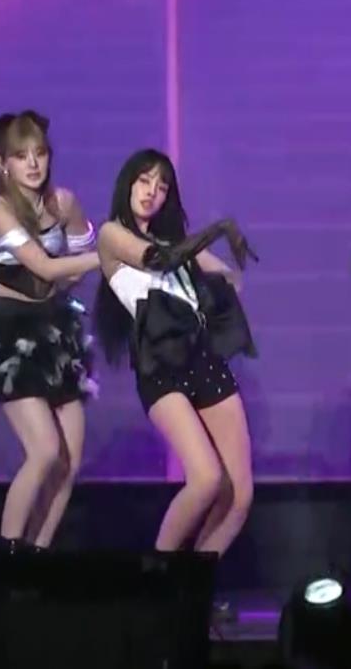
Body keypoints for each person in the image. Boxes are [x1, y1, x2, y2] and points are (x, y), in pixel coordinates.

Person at [0, 111, 101, 555]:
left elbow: (71, 267)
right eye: (21, 155)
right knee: (45, 450)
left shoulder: (62, 203)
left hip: (54, 333)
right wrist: (111, 252)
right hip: (10, 336)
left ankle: (37, 557)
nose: (33, 163)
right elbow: (45, 267)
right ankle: (9, 558)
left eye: (40, 153)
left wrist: (91, 253)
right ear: (2, 163)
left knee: (68, 462)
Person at [93, 149, 257, 566]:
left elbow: (227, 276)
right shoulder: (111, 235)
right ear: (127, 183)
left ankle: (194, 586)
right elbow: (159, 260)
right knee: (205, 477)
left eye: (162, 186)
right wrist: (219, 228)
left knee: (239, 495)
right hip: (160, 366)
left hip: (203, 359)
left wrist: (219, 290)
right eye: (144, 181)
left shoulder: (174, 243)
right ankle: (160, 580)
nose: (152, 191)